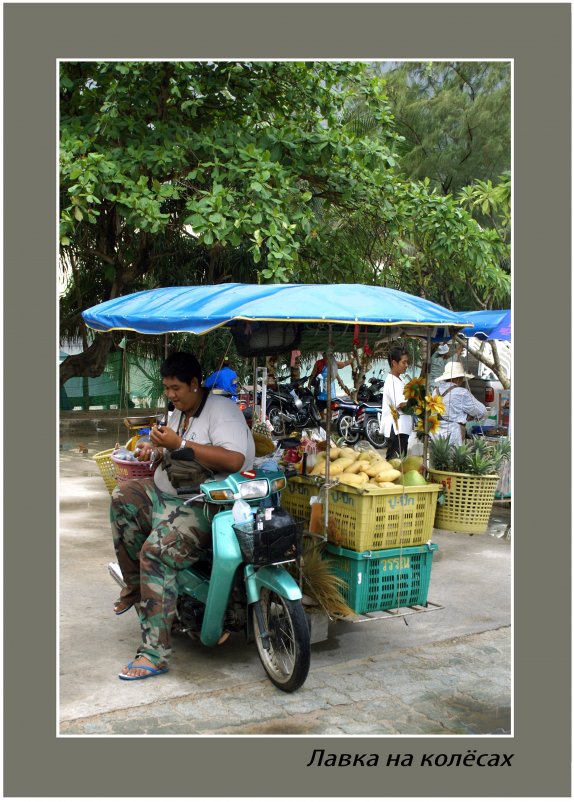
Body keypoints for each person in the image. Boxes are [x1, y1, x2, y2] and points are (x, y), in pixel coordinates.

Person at [111, 351, 255, 681]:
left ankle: (154, 654)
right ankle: (136, 589)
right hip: (169, 494)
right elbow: (170, 447)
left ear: (195, 383)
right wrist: (156, 448)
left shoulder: (222, 412)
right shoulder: (179, 411)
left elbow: (233, 460)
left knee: (155, 553)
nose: (170, 395)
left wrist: (181, 444)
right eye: (167, 388)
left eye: (176, 388)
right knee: (123, 498)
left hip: (208, 506)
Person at [432, 361, 487, 445]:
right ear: (458, 378)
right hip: (454, 434)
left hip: (435, 434)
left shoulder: (435, 391)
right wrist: (468, 417)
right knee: (454, 457)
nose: (462, 381)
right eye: (461, 378)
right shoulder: (462, 393)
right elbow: (481, 411)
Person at [380, 346, 413, 459]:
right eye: (404, 362)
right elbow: (402, 405)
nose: (406, 365)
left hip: (402, 429)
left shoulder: (400, 379)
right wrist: (417, 406)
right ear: (394, 363)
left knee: (399, 462)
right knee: (395, 464)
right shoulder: (391, 382)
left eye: (407, 362)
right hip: (397, 429)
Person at [307, 352, 352, 418]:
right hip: (320, 390)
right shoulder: (318, 363)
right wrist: (309, 385)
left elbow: (338, 376)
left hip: (330, 391)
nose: (326, 360)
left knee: (330, 407)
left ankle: (330, 420)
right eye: (325, 357)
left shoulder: (333, 365)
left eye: (328, 358)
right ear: (323, 356)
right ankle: (323, 419)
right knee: (320, 406)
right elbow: (313, 375)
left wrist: (344, 387)